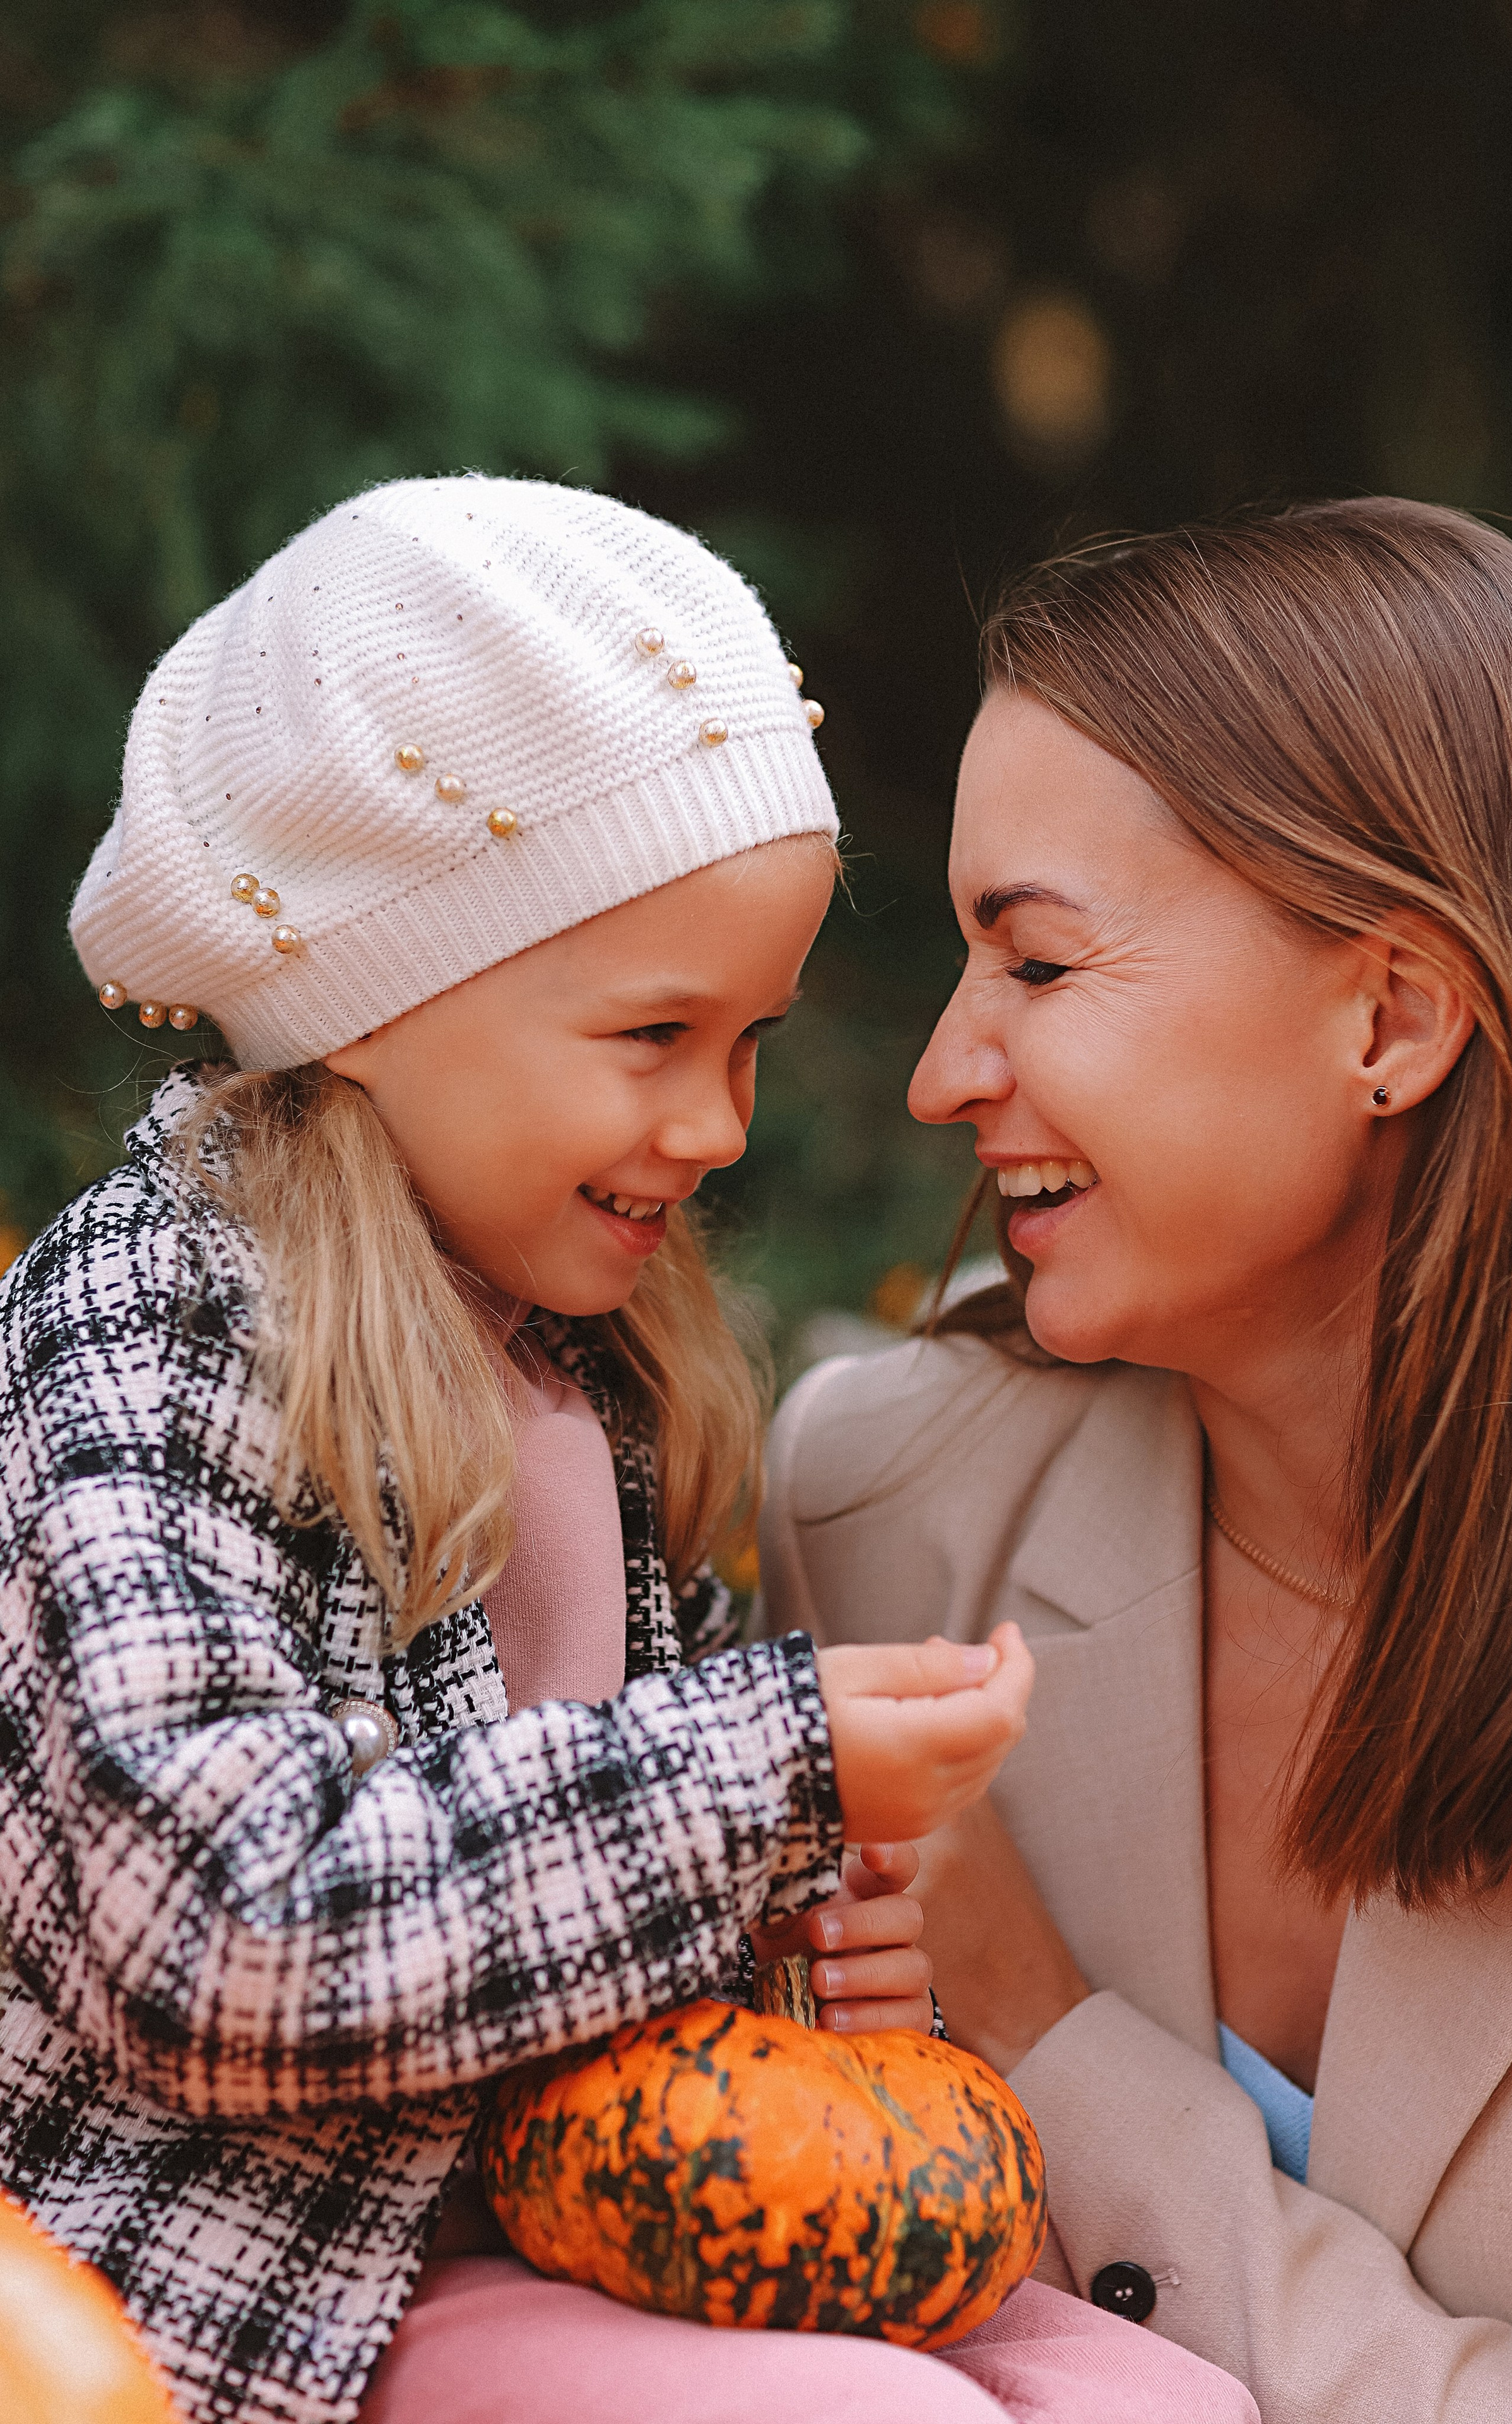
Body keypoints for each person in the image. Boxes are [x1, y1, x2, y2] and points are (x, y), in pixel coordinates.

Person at [0, 476, 1255, 2424]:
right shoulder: (161, 1313)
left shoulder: (598, 1356)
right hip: (242, 2284)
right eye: (656, 1035)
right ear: (380, 998)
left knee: (1158, 2404)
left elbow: (593, 1889)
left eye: (752, 1042)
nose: (725, 1123)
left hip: (552, 2222)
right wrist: (767, 1763)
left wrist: (816, 1940)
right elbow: (218, 1928)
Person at [761, 497, 1512, 2423]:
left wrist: (1046, 2030)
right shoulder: (881, 1515)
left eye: (1040, 969)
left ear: (1393, 1016)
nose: (942, 1072)